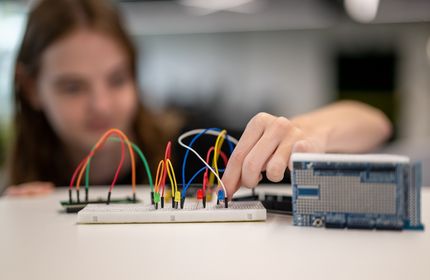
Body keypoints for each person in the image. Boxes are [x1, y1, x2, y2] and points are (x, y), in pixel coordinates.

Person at [3, 0, 392, 197]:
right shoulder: (18, 193)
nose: (101, 105)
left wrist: (304, 135)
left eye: (117, 80)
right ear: (31, 87)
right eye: (73, 87)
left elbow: (373, 122)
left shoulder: (195, 149)